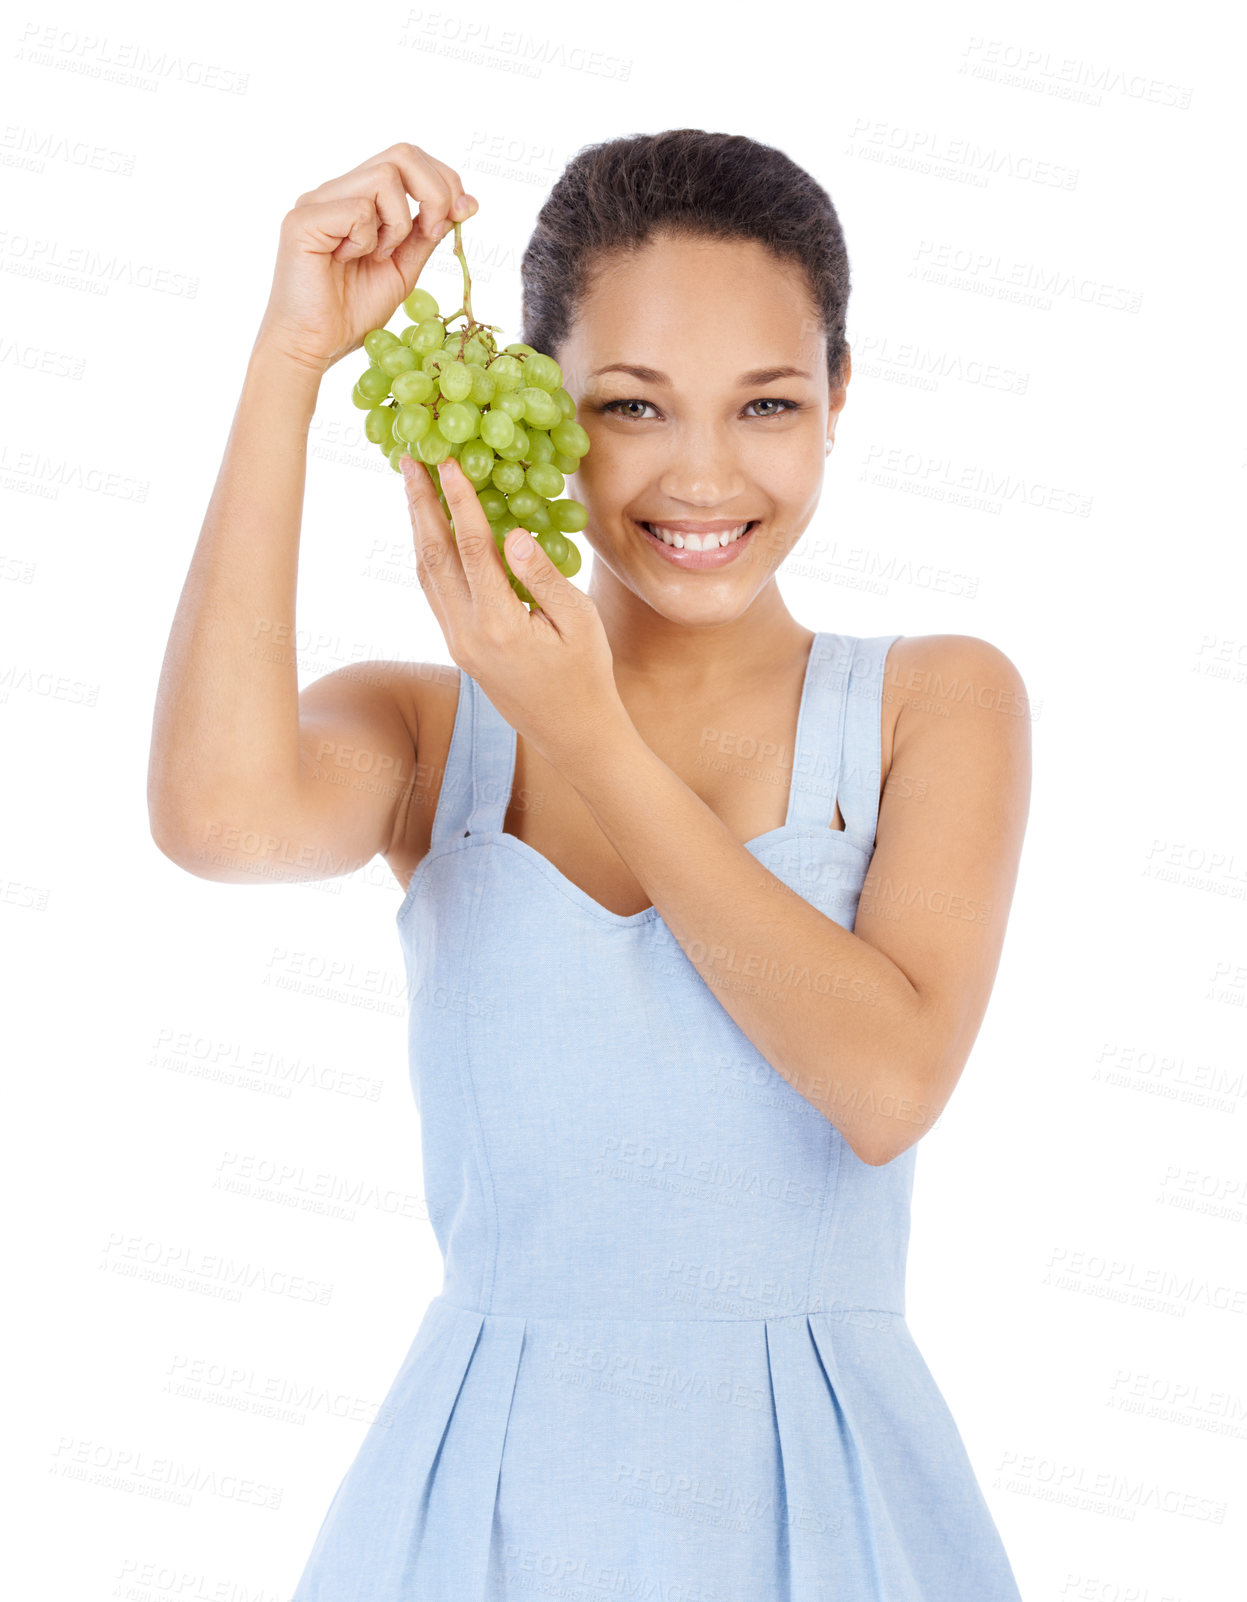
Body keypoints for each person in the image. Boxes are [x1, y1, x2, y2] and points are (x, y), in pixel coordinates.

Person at [149, 131, 1030, 1601]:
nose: (703, 473)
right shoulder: (435, 731)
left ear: (838, 401)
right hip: (481, 1517)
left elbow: (886, 1086)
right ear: (543, 407)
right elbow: (215, 816)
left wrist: (592, 736)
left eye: (766, 403)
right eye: (631, 405)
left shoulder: (936, 702)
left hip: (824, 1512)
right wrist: (291, 359)